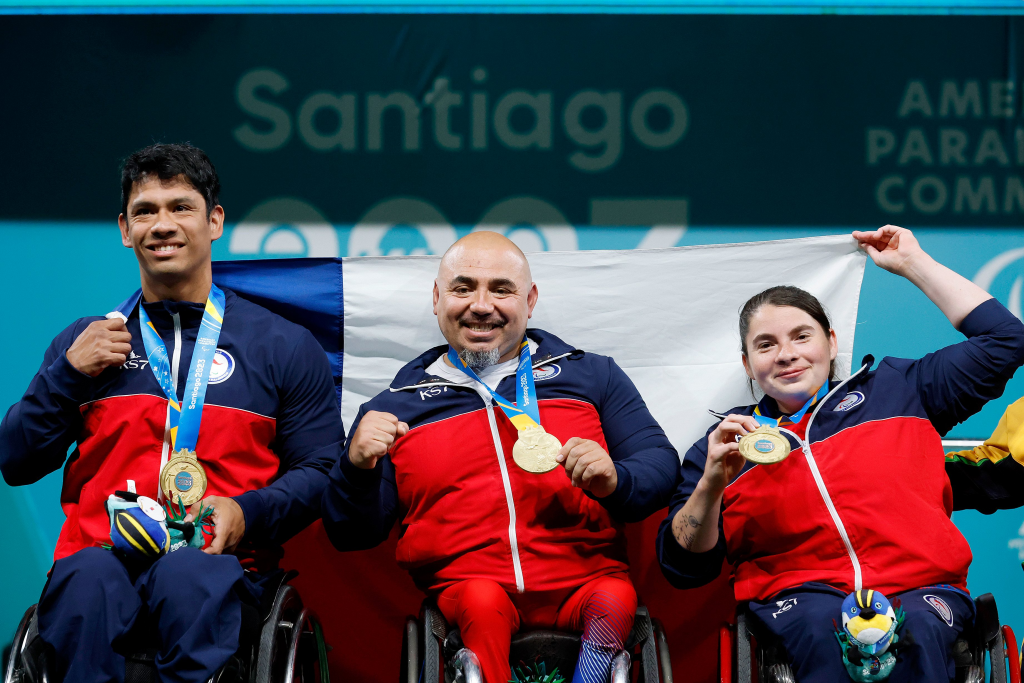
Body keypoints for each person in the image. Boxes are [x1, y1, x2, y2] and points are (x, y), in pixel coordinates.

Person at [0, 143, 344, 683]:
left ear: (214, 221)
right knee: (87, 576)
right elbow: (15, 460)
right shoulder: (85, 344)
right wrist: (66, 375)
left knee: (188, 575)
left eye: (180, 207)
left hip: (222, 568)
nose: (162, 224)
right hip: (96, 557)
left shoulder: (281, 345)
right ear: (123, 229)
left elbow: (323, 473)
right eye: (145, 211)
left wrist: (246, 512)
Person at [656, 225, 1024, 682]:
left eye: (801, 336)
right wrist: (712, 482)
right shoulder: (726, 443)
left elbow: (1005, 341)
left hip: (921, 587)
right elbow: (684, 566)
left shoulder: (899, 390)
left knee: (921, 629)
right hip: (800, 597)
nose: (786, 354)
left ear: (831, 343)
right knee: (820, 630)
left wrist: (913, 264)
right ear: (748, 365)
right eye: (766, 345)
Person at [322, 231, 679, 683]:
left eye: (502, 289)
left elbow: (660, 465)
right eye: (463, 287)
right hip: (470, 588)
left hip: (586, 578)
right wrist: (355, 469)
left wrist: (616, 479)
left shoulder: (592, 375)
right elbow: (350, 532)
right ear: (437, 298)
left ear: (529, 300)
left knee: (615, 598)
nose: (481, 304)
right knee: (482, 603)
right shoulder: (394, 406)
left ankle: (593, 676)